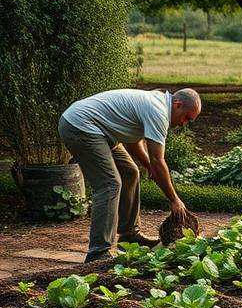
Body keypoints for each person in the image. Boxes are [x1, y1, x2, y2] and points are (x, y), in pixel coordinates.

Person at [58, 87, 201, 262]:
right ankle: (98, 252)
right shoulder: (159, 112)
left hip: (100, 130)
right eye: (187, 118)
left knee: (130, 172)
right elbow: (158, 160)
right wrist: (174, 200)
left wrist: (146, 163)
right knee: (109, 184)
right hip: (80, 126)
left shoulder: (156, 102)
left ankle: (129, 235)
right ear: (178, 105)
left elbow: (133, 139)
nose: (184, 123)